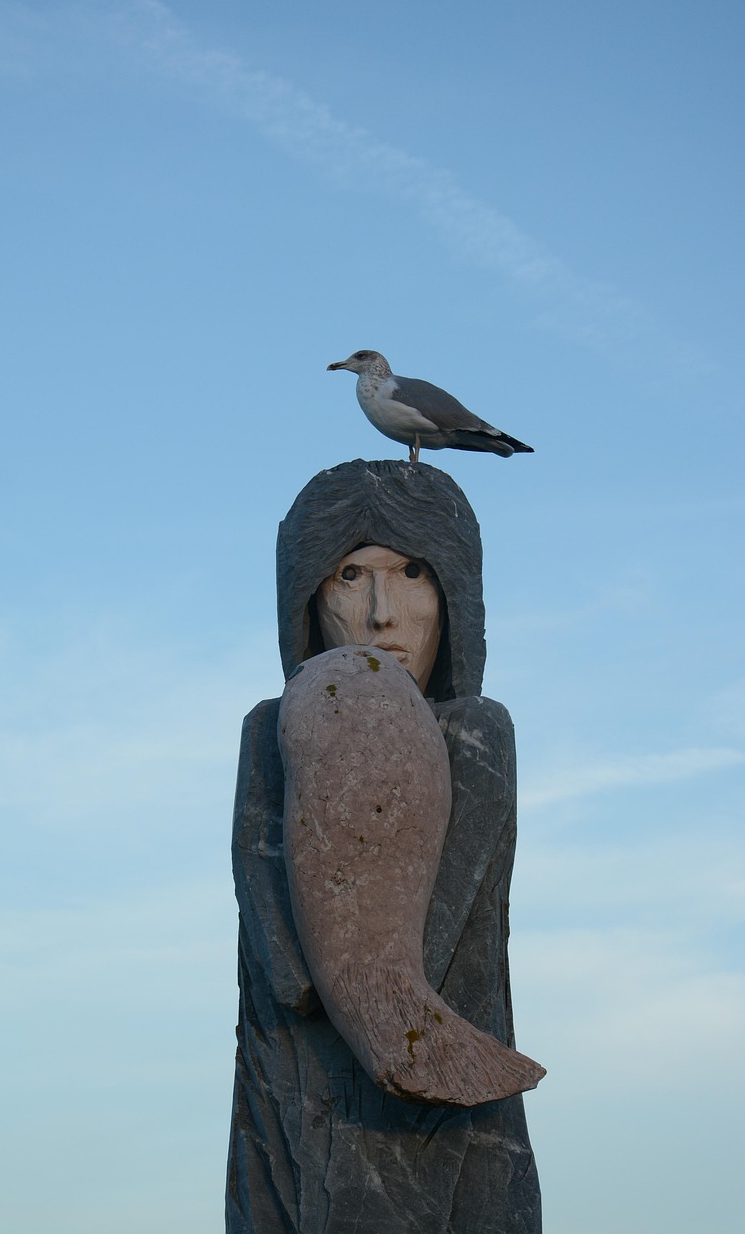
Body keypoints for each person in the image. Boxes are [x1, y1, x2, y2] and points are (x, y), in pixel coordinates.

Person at [226, 459, 542, 1234]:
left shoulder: (477, 731)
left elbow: (439, 941)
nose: (380, 612)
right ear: (306, 597)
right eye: (348, 575)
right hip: (289, 1085)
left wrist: (367, 981)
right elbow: (282, 958)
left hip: (450, 1102)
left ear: (453, 595)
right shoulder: (267, 730)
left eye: (411, 574)